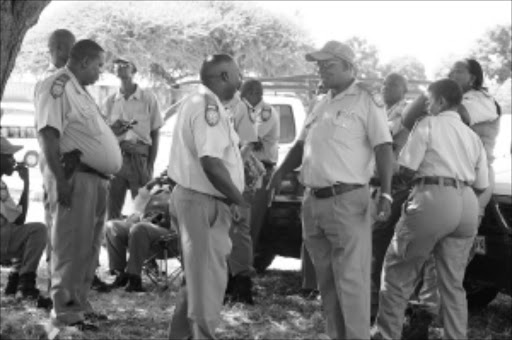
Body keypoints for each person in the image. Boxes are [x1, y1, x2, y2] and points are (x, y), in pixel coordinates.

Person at [268, 40, 394, 339]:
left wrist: (387, 193)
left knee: (351, 282)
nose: (322, 69)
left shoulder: (366, 100)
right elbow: (301, 145)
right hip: (313, 202)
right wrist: (280, 172)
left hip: (347, 200)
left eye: (329, 64)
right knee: (326, 282)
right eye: (319, 64)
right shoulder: (320, 102)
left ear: (350, 67)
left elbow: (384, 147)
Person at [372, 79, 489, 340]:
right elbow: (482, 183)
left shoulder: (428, 124)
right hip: (467, 202)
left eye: (429, 100)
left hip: (433, 197)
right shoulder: (472, 136)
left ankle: (386, 334)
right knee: (452, 284)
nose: (426, 105)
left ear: (441, 101)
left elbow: (407, 169)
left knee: (398, 272)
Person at [35, 39, 122, 331]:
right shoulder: (57, 86)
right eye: (98, 65)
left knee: (88, 248)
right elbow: (48, 135)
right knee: (71, 247)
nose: (101, 72)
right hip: (75, 177)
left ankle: (81, 305)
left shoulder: (80, 91)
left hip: (95, 180)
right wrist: (60, 182)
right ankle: (66, 314)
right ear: (84, 62)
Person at [167, 54, 246, 339]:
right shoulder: (207, 106)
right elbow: (211, 162)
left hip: (199, 201)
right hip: (202, 203)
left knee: (197, 281)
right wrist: (239, 199)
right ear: (224, 76)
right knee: (207, 284)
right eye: (238, 73)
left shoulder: (202, 103)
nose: (241, 78)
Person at [103, 58, 163, 220]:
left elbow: (155, 133)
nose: (120, 68)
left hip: (140, 159)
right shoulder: (110, 101)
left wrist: (150, 164)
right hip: (117, 160)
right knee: (111, 208)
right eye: (117, 65)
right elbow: (104, 134)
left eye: (125, 65)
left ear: (134, 70)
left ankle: (137, 242)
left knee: (142, 210)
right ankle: (111, 241)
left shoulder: (148, 98)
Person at [223, 85, 262, 304]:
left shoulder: (242, 108)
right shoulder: (222, 105)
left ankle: (242, 286)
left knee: (239, 231)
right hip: (224, 176)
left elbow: (248, 144)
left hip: (239, 176)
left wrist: (233, 172)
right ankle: (229, 280)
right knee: (227, 230)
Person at [106, 176, 175, 292]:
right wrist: (150, 185)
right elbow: (138, 205)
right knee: (112, 226)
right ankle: (120, 274)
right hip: (143, 228)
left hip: (167, 233)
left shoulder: (184, 191)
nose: (166, 176)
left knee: (140, 228)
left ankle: (134, 279)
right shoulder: (157, 192)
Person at [1, 137, 47, 300]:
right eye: (8, 157)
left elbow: (18, 221)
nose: (13, 161)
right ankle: (25, 283)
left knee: (27, 234)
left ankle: (15, 281)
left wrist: (26, 183)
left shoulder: (2, 184)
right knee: (38, 230)